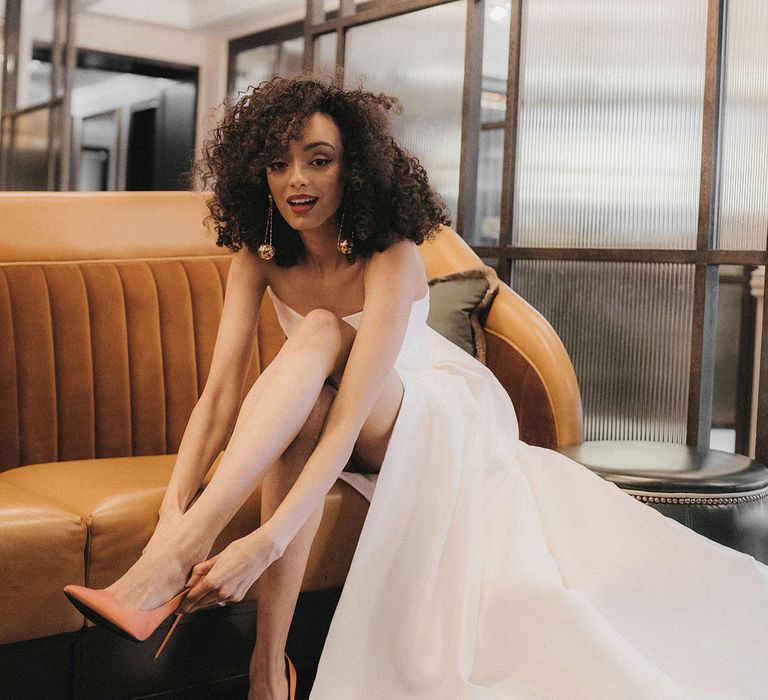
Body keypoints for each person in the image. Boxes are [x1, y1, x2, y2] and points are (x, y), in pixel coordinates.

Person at [64, 76, 768, 700]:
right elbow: (219, 396)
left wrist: (269, 539)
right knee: (305, 404)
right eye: (278, 164)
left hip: (424, 405)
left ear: (357, 170)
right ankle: (266, 675)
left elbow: (352, 422)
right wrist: (171, 512)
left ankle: (175, 571)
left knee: (314, 331)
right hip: (326, 404)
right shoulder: (259, 254)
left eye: (319, 159)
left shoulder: (389, 252)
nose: (296, 180)